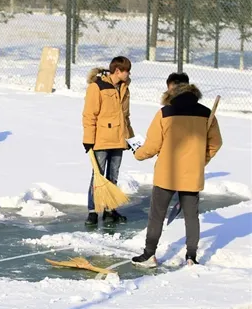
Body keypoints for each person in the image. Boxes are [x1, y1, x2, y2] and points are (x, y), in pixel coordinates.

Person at [131, 78, 222, 268]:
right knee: (191, 216)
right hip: (192, 173)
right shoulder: (207, 114)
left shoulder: (165, 113)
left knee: (157, 214)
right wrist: (201, 160)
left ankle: (149, 255)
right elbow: (215, 143)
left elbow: (152, 146)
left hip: (167, 173)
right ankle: (191, 257)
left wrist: (137, 154)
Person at [82, 56, 135, 226]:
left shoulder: (125, 89)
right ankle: (92, 210)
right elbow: (89, 115)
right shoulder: (97, 87)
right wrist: (88, 140)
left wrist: (131, 139)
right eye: (127, 70)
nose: (129, 74)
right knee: (98, 176)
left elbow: (125, 117)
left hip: (119, 140)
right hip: (101, 140)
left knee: (113, 176)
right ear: (117, 71)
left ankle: (109, 209)